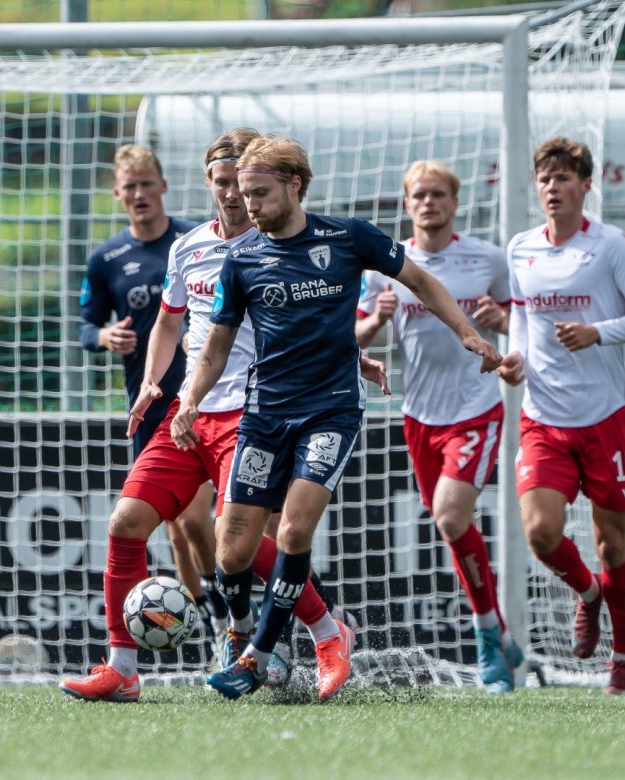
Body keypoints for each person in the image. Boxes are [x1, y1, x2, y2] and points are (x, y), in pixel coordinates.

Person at [173, 135, 501, 701]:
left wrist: (467, 331)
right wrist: (189, 400)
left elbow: (420, 280)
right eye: (244, 194)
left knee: (293, 530)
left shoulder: (348, 237)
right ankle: (259, 634)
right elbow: (215, 348)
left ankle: (261, 656)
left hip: (331, 410)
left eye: (259, 192)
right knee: (230, 552)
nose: (249, 205)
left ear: (294, 185)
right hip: (265, 415)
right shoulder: (241, 261)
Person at [61, 129, 355, 703]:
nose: (232, 195)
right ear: (209, 184)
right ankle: (123, 668)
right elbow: (170, 321)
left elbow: (316, 320)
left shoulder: (277, 247)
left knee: (235, 541)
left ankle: (323, 630)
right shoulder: (188, 247)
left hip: (255, 410)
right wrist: (153, 381)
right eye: (222, 183)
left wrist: (352, 354)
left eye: (241, 185)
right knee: (125, 523)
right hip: (189, 411)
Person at [496, 137, 625, 696]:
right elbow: (521, 316)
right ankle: (589, 594)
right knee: (541, 532)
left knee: (613, 545)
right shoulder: (521, 247)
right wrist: (516, 358)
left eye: (564, 178)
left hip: (603, 417)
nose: (553, 188)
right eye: (545, 179)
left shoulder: (611, 245)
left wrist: (599, 332)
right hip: (543, 417)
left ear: (585, 185)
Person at [355, 159, 523, 693]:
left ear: (455, 202)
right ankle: (498, 629)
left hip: (475, 408)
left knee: (451, 517)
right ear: (407, 205)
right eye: (419, 195)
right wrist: (377, 318)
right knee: (451, 526)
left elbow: (523, 322)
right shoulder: (386, 266)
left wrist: (504, 323)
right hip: (419, 415)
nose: (429, 202)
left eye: (438, 194)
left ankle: (485, 639)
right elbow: (354, 340)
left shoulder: (487, 259)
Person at [77, 145, 226, 635]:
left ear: (163, 186)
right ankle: (213, 619)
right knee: (178, 528)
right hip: (151, 404)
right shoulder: (106, 259)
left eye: (146, 184)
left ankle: (232, 611)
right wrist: (103, 336)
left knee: (200, 521)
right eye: (130, 187)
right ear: (117, 194)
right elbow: (85, 325)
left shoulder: (195, 241)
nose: (139, 194)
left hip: (207, 401)